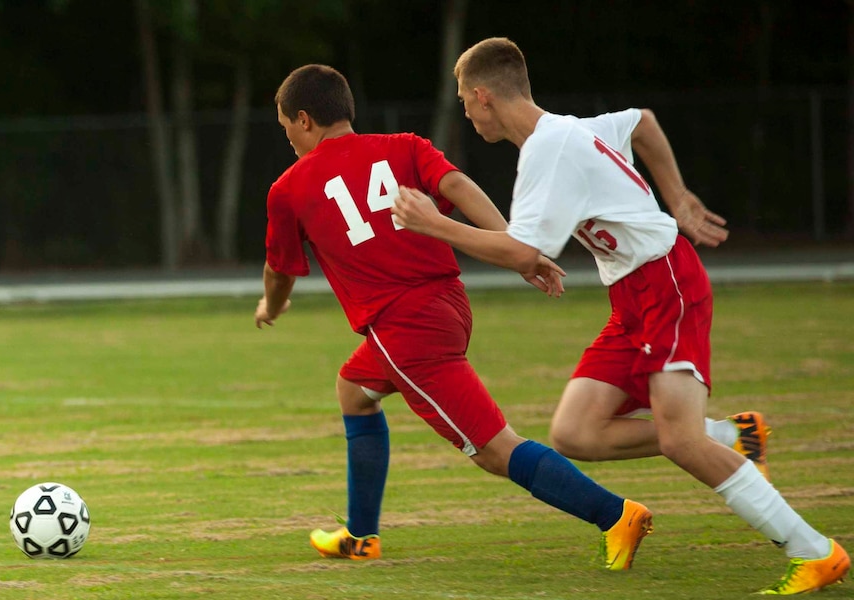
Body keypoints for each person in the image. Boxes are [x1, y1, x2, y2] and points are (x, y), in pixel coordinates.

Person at [390, 37, 850, 595]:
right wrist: (674, 197)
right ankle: (730, 436)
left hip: (667, 286)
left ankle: (815, 551)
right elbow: (643, 124)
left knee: (682, 443)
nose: (464, 109)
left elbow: (520, 250)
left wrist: (433, 223)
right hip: (631, 299)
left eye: (464, 99)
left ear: (484, 96)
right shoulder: (568, 129)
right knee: (575, 431)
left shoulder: (547, 148)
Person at [255, 63, 654, 571]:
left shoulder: (288, 188)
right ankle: (361, 536)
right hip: (448, 306)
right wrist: (518, 247)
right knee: (354, 391)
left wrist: (271, 304)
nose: (287, 134)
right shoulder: (404, 145)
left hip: (405, 330)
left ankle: (616, 515)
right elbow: (460, 188)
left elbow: (279, 268)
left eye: (285, 123)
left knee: (493, 449)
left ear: (304, 120)